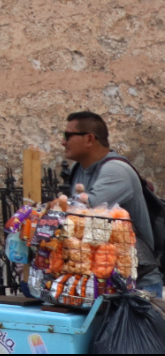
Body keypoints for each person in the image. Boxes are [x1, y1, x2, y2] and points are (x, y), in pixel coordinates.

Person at [63, 110, 162, 296]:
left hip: (137, 287)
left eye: (67, 136)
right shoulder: (79, 169)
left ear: (90, 139)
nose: (63, 142)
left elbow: (82, 215)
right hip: (105, 281)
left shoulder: (115, 171)